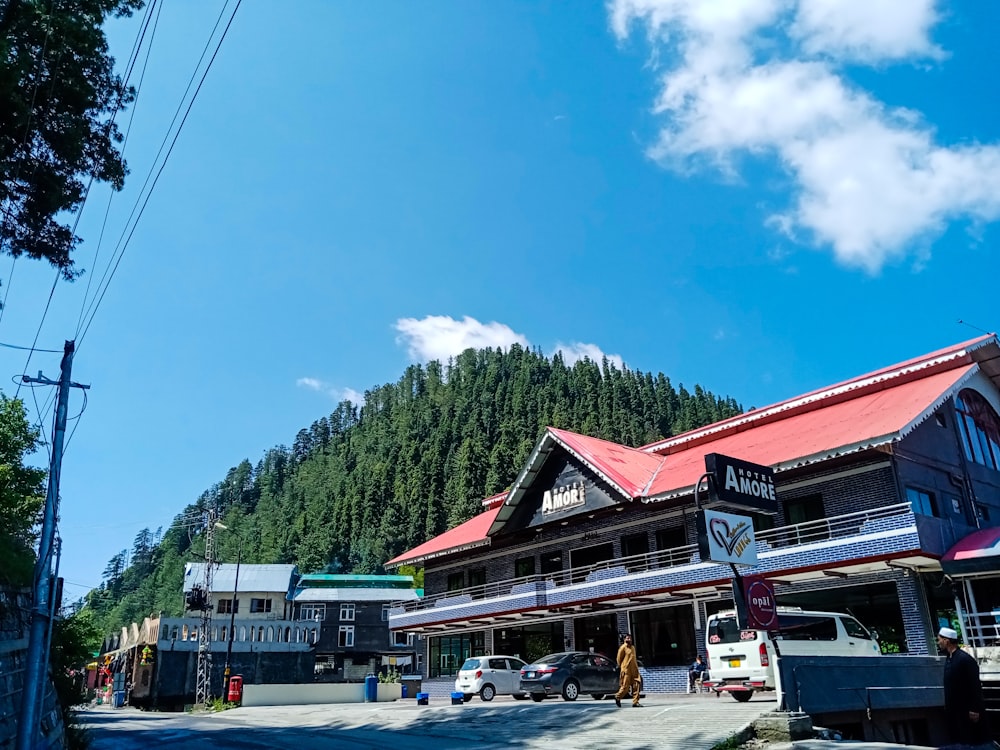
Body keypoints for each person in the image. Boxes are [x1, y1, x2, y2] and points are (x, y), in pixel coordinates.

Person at [937, 626, 989, 747]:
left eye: (940, 639)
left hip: (967, 711)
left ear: (947, 640)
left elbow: (975, 686)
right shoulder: (949, 659)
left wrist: (974, 709)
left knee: (972, 742)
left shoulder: (965, 659)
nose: (939, 643)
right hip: (955, 711)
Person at [615, 633, 642, 708]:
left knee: (636, 685)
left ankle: (635, 702)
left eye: (630, 638)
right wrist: (623, 667)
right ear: (624, 639)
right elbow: (618, 659)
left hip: (634, 670)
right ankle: (617, 697)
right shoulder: (623, 648)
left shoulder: (633, 647)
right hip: (626, 670)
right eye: (627, 638)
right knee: (625, 687)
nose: (629, 639)